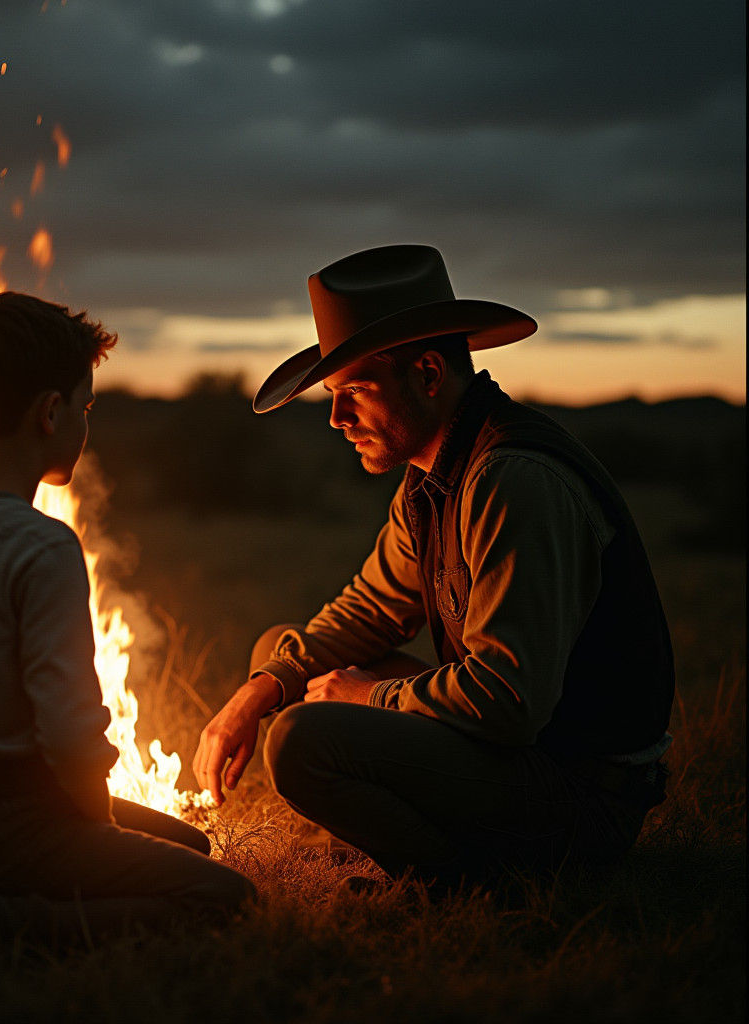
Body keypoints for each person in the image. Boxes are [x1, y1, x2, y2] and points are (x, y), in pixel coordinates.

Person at [193, 245, 674, 889]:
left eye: (354, 392)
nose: (337, 419)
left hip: (581, 794)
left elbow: (507, 700)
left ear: (426, 373)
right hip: (526, 757)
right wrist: (260, 689)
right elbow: (370, 609)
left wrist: (370, 696)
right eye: (334, 397)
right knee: (280, 660)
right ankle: (406, 839)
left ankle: (461, 882)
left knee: (302, 739)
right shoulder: (431, 479)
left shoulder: (512, 480)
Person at [0, 291, 255, 957]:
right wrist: (94, 828)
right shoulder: (42, 547)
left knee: (187, 843)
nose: (85, 425)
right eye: (85, 407)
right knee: (224, 897)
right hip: (11, 824)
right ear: (51, 412)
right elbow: (68, 733)